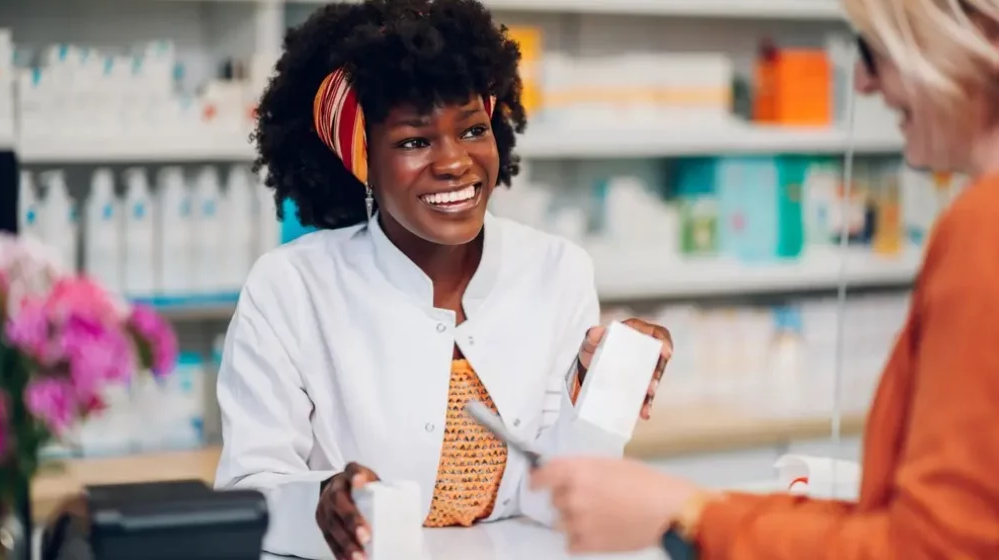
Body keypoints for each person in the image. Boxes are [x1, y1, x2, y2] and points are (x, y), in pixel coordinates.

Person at [530, 1, 999, 558]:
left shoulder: (983, 225)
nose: (865, 83)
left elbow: (932, 546)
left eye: (874, 52)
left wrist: (685, 511)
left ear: (961, 38)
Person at [212, 1, 673, 560]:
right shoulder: (291, 287)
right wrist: (319, 501)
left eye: (473, 129)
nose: (455, 161)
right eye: (414, 141)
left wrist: (599, 387)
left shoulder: (557, 269)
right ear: (362, 160)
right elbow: (248, 490)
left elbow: (558, 496)